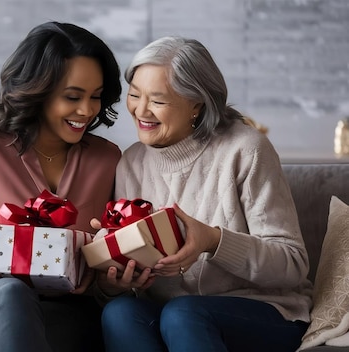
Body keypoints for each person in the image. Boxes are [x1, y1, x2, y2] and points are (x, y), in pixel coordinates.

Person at [95, 36, 313, 352]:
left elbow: (293, 264)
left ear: (196, 104)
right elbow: (129, 286)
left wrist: (213, 240)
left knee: (183, 313)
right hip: (176, 312)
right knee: (120, 312)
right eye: (134, 95)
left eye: (157, 100)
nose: (141, 110)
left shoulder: (246, 150)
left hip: (267, 310)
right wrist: (118, 279)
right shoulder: (131, 162)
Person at [0, 21, 122, 352]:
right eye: (73, 96)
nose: (87, 110)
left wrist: (106, 271)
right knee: (11, 293)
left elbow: (110, 252)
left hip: (64, 310)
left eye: (96, 97)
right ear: (38, 89)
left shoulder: (107, 159)